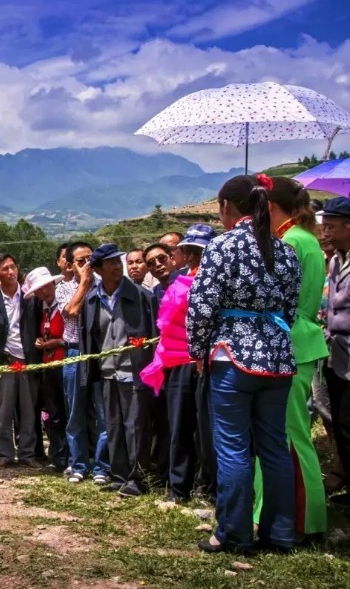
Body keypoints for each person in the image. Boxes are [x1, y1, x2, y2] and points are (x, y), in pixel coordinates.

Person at [188, 174, 301, 554]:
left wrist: (198, 351)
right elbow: (290, 308)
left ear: (226, 207)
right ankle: (280, 533)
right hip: (278, 359)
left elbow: (202, 306)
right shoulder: (285, 250)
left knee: (233, 448)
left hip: (232, 358)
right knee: (274, 447)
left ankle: (234, 533)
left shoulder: (222, 247)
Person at [249, 177, 329, 541]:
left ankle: (300, 518)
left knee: (288, 434)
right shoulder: (304, 238)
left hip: (291, 342)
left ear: (268, 206)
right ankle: (283, 513)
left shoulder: (292, 241)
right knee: (287, 432)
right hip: (300, 340)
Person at [140, 224, 217, 502]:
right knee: (179, 426)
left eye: (199, 252)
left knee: (208, 429)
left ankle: (210, 487)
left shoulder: (220, 281)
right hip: (179, 361)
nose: (194, 257)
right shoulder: (178, 282)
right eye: (189, 251)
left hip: (210, 361)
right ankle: (179, 488)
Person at [80, 243, 157, 497]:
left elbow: (154, 335)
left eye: (117, 261)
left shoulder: (141, 296)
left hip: (134, 371)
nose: (116, 266)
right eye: (110, 263)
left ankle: (137, 478)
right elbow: (89, 337)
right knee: (113, 425)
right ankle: (120, 474)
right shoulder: (92, 300)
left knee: (135, 426)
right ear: (98, 270)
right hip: (107, 373)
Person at [56, 241, 109, 484]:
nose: (87, 265)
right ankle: (78, 464)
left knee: (103, 413)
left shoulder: (105, 286)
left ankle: (102, 466)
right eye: (81, 261)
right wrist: (85, 284)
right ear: (70, 265)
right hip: (75, 351)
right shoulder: (63, 289)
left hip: (100, 352)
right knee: (75, 412)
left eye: (91, 260)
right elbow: (71, 312)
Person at [0, 253, 38, 469]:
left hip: (29, 361)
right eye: (5, 269)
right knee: (4, 411)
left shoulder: (30, 297)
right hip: (5, 361)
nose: (11, 272)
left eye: (13, 267)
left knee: (28, 411)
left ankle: (27, 454)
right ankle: (4, 454)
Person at [26, 266, 68, 472]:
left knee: (70, 411)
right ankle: (58, 458)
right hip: (48, 367)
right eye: (39, 289)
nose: (44, 291)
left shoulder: (64, 304)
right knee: (54, 413)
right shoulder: (42, 309)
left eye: (46, 286)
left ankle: (75, 457)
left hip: (66, 365)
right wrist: (40, 341)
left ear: (53, 283)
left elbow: (75, 335)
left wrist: (58, 342)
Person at [322, 197, 350, 504]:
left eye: (331, 226)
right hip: (335, 353)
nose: (326, 232)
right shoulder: (335, 261)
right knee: (340, 423)